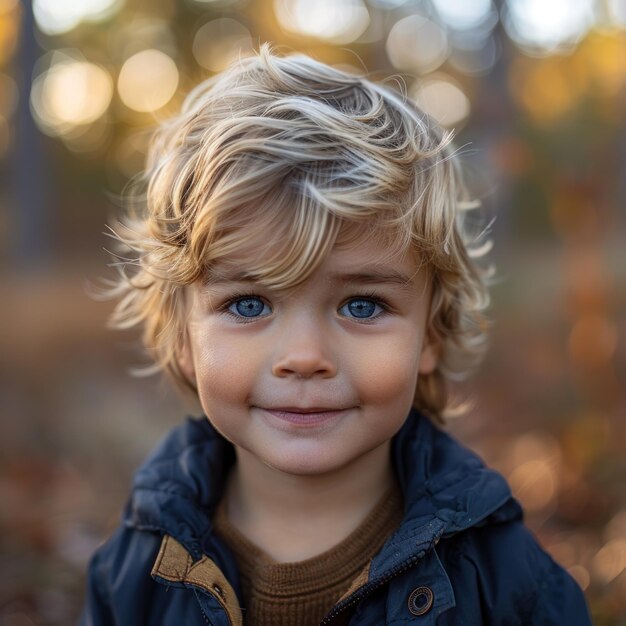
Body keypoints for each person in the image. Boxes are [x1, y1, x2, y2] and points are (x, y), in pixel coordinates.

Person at [79, 45, 592, 625]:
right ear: (182, 335)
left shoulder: (504, 584)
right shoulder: (136, 569)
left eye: (362, 305)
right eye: (248, 304)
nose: (305, 358)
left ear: (430, 333)